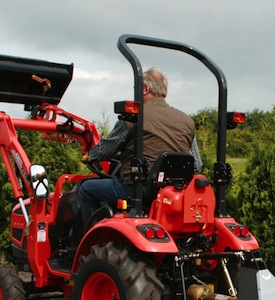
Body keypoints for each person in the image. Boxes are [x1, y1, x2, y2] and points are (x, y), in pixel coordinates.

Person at [78, 67, 202, 226]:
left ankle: (90, 241)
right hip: (172, 194)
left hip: (135, 191)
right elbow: (196, 164)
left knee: (86, 189)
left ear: (145, 88)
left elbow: (107, 149)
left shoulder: (132, 116)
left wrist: (90, 156)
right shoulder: (187, 121)